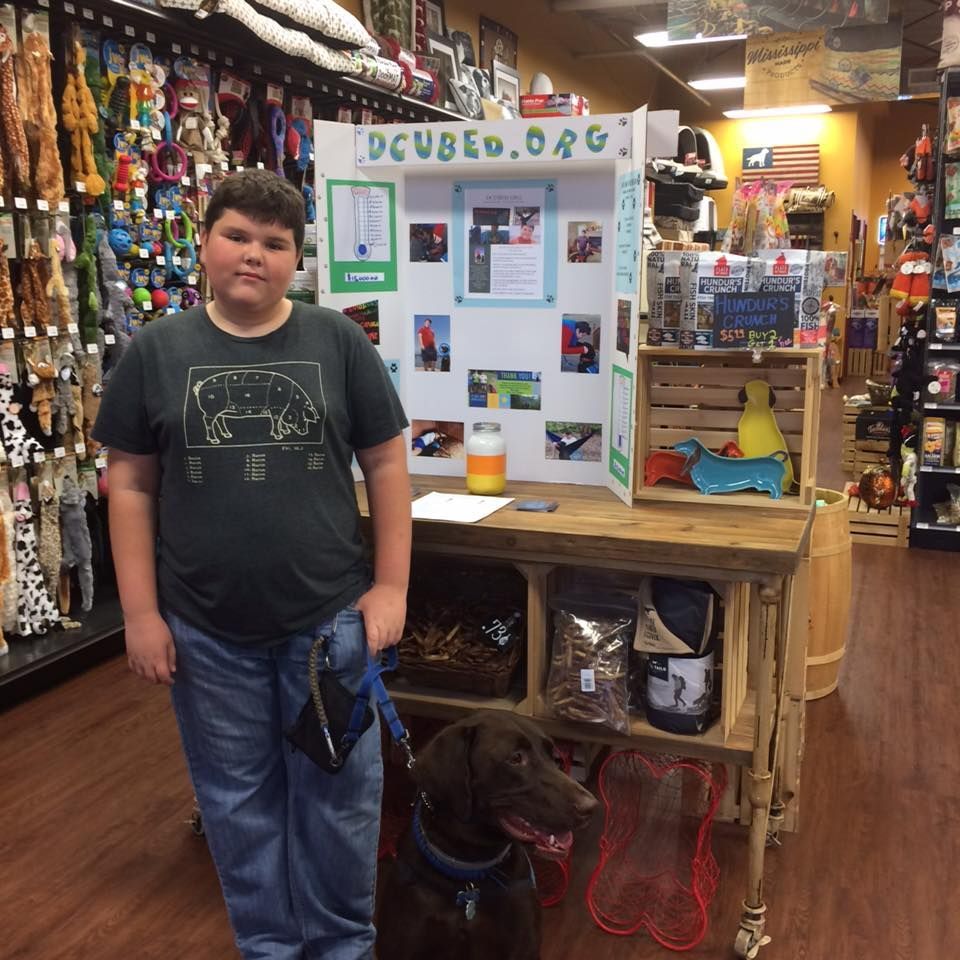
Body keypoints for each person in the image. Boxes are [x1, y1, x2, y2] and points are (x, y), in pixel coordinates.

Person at [93, 169, 411, 960]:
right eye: (236, 235)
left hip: (329, 627)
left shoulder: (338, 340)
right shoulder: (156, 350)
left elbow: (386, 464)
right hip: (204, 633)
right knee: (237, 808)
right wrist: (140, 614)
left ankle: (343, 950)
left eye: (275, 243)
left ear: (295, 259)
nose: (253, 255)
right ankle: (268, 950)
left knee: (341, 805)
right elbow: (128, 485)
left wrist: (392, 586)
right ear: (203, 242)